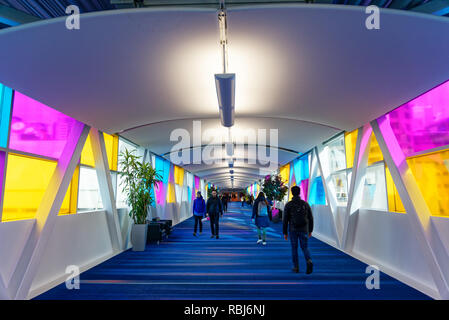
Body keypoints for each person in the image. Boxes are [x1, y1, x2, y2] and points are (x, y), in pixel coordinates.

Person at [283, 186, 314, 274]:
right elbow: (310, 218)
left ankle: (296, 267)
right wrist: (310, 230)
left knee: (294, 248)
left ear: (292, 193)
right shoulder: (305, 204)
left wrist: (285, 232)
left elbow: (285, 219)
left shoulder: (289, 204)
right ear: (299, 192)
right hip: (304, 229)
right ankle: (309, 260)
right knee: (305, 247)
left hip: (293, 229)